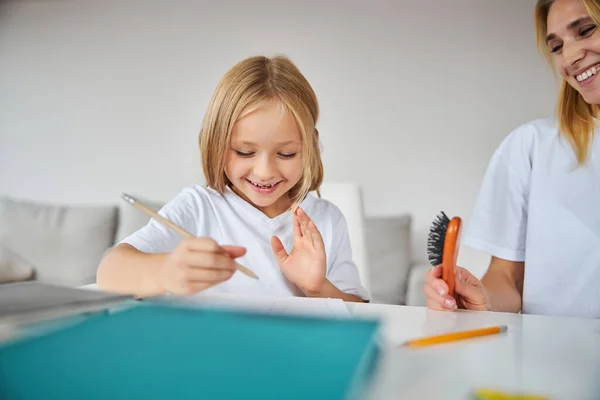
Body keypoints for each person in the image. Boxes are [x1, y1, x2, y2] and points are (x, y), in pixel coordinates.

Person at [96, 55, 368, 303]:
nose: (264, 171)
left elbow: (362, 309)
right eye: (245, 152)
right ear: (216, 143)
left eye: (286, 154)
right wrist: (166, 272)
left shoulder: (327, 220)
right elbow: (109, 272)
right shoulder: (200, 207)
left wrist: (317, 288)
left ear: (310, 147)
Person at [424, 0, 600, 318]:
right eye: (557, 47)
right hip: (551, 358)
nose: (570, 57)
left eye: (586, 30)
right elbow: (507, 279)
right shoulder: (529, 146)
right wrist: (483, 300)